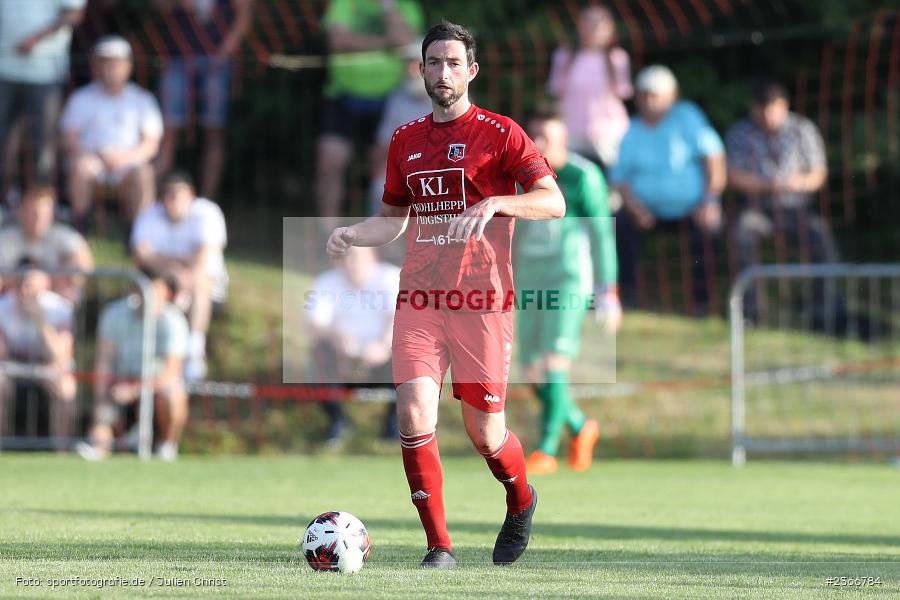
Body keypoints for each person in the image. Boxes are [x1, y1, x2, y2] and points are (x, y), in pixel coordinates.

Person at [326, 21, 565, 568]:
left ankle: (522, 498)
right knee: (413, 414)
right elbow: (391, 219)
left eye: (454, 63)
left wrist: (498, 203)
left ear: (471, 71)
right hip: (421, 300)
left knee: (485, 434)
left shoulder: (501, 133)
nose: (444, 72)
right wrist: (352, 233)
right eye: (434, 62)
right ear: (421, 70)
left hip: (481, 302)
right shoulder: (405, 140)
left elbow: (553, 200)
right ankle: (439, 548)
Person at [516, 110, 620, 476]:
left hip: (568, 279)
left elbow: (602, 235)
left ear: (562, 141)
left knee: (554, 360)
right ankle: (579, 426)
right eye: (536, 137)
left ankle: (545, 449)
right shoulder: (519, 177)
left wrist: (609, 290)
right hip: (529, 281)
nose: (541, 145)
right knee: (529, 368)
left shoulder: (582, 176)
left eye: (549, 138)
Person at [609, 65, 726, 314]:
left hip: (694, 208)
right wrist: (636, 208)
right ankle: (628, 296)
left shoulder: (689, 117)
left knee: (708, 230)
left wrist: (710, 200)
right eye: (646, 95)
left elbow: (714, 158)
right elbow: (620, 178)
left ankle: (702, 304)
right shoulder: (630, 130)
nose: (651, 102)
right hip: (645, 211)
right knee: (618, 226)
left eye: (657, 95)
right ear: (638, 98)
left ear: (672, 96)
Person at [726, 80, 835, 319]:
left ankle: (822, 309)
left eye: (772, 108)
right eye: (761, 109)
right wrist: (768, 185)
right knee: (741, 236)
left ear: (784, 105)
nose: (768, 115)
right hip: (757, 208)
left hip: (797, 209)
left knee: (821, 238)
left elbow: (819, 173)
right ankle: (751, 312)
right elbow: (733, 176)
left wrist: (798, 183)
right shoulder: (740, 132)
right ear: (753, 109)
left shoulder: (802, 129)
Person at [316, 0, 423, 226]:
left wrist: (389, 9)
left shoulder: (406, 7)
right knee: (330, 162)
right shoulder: (345, 4)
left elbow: (408, 43)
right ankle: (326, 235)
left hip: (389, 101)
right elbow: (338, 40)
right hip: (343, 97)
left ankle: (377, 238)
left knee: (386, 170)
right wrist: (385, 42)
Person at [76, 267, 189, 461]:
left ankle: (166, 448)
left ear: (166, 293)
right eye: (141, 288)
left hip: (155, 388)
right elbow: (104, 360)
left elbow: (171, 372)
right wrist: (103, 395)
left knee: (172, 395)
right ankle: (98, 449)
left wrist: (136, 390)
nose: (146, 295)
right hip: (121, 384)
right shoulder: (115, 314)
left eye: (152, 289)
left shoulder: (173, 321)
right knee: (104, 412)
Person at [131, 171, 227, 382]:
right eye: (166, 194)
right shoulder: (150, 215)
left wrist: (182, 276)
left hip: (205, 288)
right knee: (151, 290)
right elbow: (140, 254)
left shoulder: (208, 213)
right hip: (167, 284)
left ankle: (194, 350)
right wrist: (176, 270)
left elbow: (205, 257)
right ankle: (145, 360)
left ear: (190, 194)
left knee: (201, 282)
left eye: (176, 195)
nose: (170, 201)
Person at [59, 35, 163, 229]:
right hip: (92, 161)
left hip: (129, 165)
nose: (110, 68)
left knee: (144, 173)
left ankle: (140, 232)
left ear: (128, 65)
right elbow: (68, 137)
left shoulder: (142, 99)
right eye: (104, 62)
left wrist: (124, 159)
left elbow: (151, 144)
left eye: (115, 63)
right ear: (95, 66)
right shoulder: (81, 98)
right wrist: (96, 155)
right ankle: (81, 228)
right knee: (81, 167)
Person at [154, 0, 253, 200]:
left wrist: (224, 52)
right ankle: (159, 201)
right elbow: (158, 6)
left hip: (217, 62)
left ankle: (208, 202)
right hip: (177, 57)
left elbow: (244, 15)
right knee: (168, 131)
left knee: (214, 131)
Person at [305, 246, 400, 446]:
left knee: (411, 356)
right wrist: (336, 337)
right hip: (341, 358)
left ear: (373, 258)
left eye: (356, 257)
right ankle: (338, 422)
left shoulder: (390, 277)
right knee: (318, 354)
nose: (350, 263)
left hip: (386, 357)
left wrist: (383, 346)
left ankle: (394, 427)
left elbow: (400, 316)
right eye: (346, 257)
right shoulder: (327, 281)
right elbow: (314, 323)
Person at [0, 0, 85, 202]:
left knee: (42, 145)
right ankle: (4, 202)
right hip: (4, 68)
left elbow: (73, 14)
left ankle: (41, 206)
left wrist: (36, 38)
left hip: (44, 72)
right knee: (3, 141)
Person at [0, 259, 76, 450]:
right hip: (12, 366)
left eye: (30, 285)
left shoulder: (60, 308)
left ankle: (62, 452)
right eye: (20, 283)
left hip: (47, 367)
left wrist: (40, 321)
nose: (25, 290)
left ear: (45, 283)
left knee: (65, 387)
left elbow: (60, 357)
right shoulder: (3, 307)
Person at [547, 4, 632, 167]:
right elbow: (557, 93)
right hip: (571, 133)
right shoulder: (565, 55)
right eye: (587, 23)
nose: (591, 29)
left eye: (597, 24)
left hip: (608, 135)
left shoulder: (617, 58)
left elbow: (621, 94)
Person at [368, 40, 433, 215]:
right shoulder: (397, 98)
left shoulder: (449, 99)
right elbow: (383, 145)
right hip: (404, 170)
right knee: (380, 185)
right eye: (408, 64)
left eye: (417, 64)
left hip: (436, 173)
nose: (411, 70)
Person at [0, 185, 93, 302]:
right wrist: (19, 283)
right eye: (33, 212)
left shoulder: (62, 235)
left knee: (69, 291)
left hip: (50, 306)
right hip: (9, 305)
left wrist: (47, 282)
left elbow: (83, 265)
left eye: (44, 213)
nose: (38, 218)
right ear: (21, 211)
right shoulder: (5, 238)